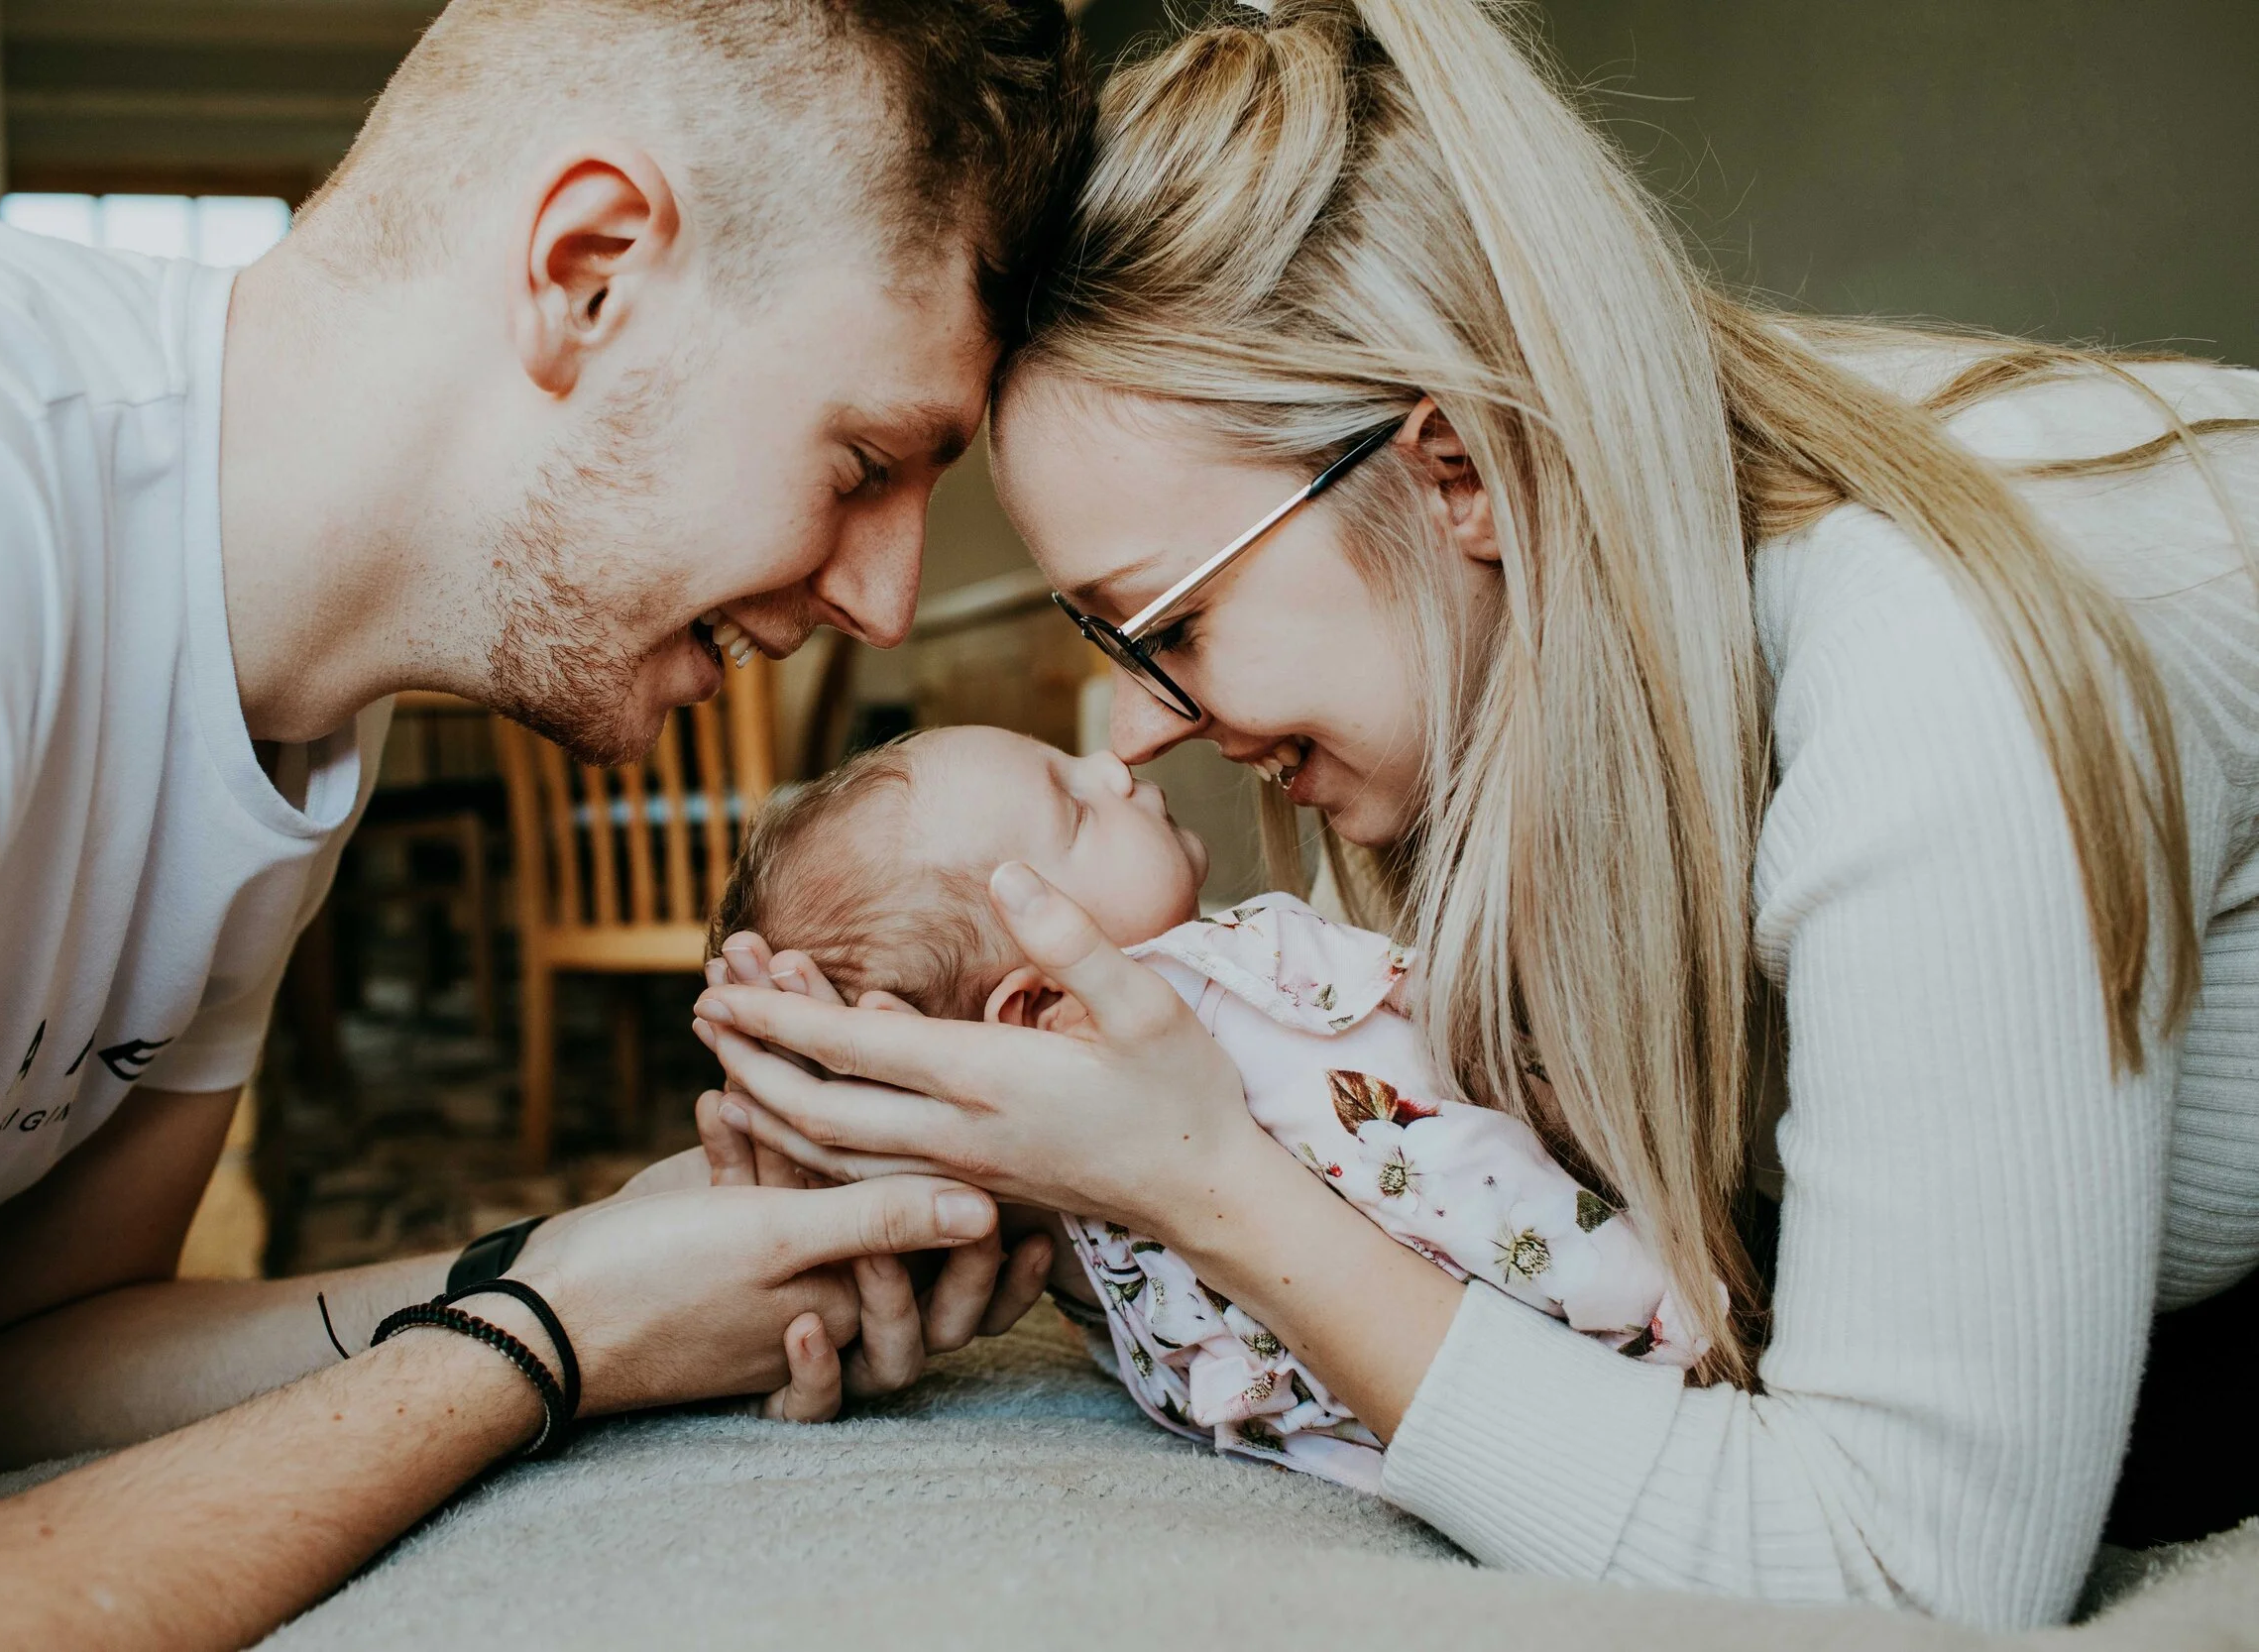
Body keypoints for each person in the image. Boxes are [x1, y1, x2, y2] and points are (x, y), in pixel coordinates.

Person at [690, 0, 2259, 1630]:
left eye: (1173, 624)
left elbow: (1906, 1580)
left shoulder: (1932, 664)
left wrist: (1210, 1185)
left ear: (1456, 474)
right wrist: (923, 1161)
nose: (1145, 727)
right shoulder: (1554, 712)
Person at [0, 0, 1087, 1642]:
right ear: (593, 265)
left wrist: (621, 1257)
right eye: (862, 462)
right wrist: (547, 1340)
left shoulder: (300, 693)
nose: (888, 599)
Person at [702, 723, 1705, 1493]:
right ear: (1042, 1002)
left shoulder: (1087, 1237)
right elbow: (1446, 1094)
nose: (1114, 765)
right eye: (1074, 805)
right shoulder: (1233, 967)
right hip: (1605, 1317)